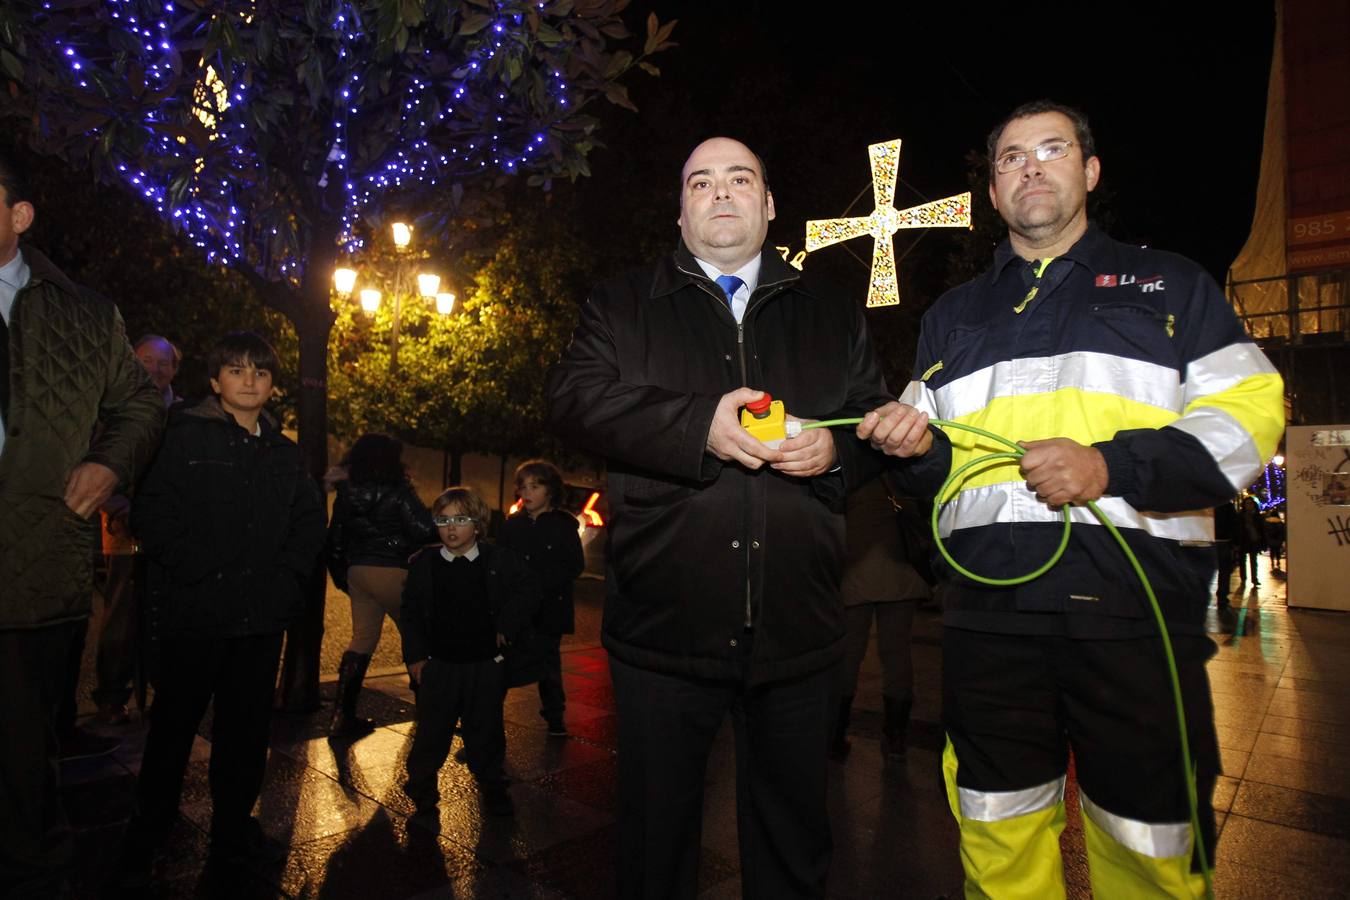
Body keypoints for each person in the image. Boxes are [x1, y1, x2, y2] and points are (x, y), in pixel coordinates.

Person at [859, 100, 1285, 898]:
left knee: (1147, 837)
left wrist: (1110, 465)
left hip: (1131, 612)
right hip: (988, 617)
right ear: (993, 191)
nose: (1031, 167)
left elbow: (1249, 417)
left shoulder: (1170, 284)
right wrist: (907, 454)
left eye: (1052, 150)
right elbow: (935, 470)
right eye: (1010, 158)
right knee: (994, 823)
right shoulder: (951, 316)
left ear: (1089, 172)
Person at [546, 136, 896, 899]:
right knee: (654, 847)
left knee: (793, 845)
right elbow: (572, 398)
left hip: (798, 635)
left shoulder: (831, 311)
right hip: (664, 632)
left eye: (741, 178)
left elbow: (874, 427)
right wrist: (695, 425)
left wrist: (837, 453)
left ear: (769, 206)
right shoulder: (620, 304)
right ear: (681, 212)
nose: (722, 192)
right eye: (700, 181)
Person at [0, 149, 164, 896]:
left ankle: (34, 863)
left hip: (34, 563)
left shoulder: (85, 315)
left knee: (25, 744)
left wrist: (109, 465)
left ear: (18, 215)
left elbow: (136, 407)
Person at [119, 331, 325, 880]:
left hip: (258, 620)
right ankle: (151, 825)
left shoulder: (284, 453)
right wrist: (197, 568)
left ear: (272, 385)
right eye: (236, 370)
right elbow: (151, 514)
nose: (250, 380)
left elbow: (308, 523)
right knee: (174, 727)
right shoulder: (183, 438)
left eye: (259, 371)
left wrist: (286, 583)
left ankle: (234, 827)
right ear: (215, 383)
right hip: (196, 614)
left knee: (245, 733)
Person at [401, 486, 539, 824]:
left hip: (484, 665)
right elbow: (411, 613)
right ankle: (422, 792)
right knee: (431, 733)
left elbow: (529, 589)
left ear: (477, 525)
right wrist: (417, 657)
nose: (451, 528)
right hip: (440, 665)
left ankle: (493, 787)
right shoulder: (426, 564)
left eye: (460, 520)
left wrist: (507, 623)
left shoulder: (497, 560)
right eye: (443, 520)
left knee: (486, 731)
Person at [86, 334, 183, 727]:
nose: (155, 369)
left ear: (175, 370)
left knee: (169, 611)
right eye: (147, 360)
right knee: (122, 611)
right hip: (125, 528)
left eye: (164, 363)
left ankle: (164, 687)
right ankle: (112, 695)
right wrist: (119, 504)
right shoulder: (114, 410)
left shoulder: (180, 415)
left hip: (170, 529)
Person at [325, 433, 436, 737]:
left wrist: (343, 577)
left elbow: (334, 539)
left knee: (362, 640)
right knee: (418, 637)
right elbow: (423, 529)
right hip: (394, 570)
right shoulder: (399, 491)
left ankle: (341, 717)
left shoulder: (347, 493)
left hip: (359, 571)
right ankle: (429, 715)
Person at [830, 474, 930, 762]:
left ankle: (836, 736)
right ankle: (895, 738)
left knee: (849, 657)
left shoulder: (850, 478)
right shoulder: (904, 478)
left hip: (855, 577)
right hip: (900, 579)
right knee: (897, 657)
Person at [498, 459, 584, 736]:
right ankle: (487, 719)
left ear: (550, 490)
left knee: (548, 663)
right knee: (502, 662)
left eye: (535, 486)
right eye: (523, 486)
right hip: (516, 607)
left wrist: (542, 583)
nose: (527, 492)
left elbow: (574, 565)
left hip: (549, 607)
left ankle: (555, 718)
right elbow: (500, 562)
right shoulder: (513, 525)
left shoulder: (563, 525)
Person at [1236, 496, 1268, 586]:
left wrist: (1264, 543)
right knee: (1242, 561)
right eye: (1247, 503)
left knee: (1254, 561)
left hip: (1254, 541)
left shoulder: (1258, 516)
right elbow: (1236, 529)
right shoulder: (1240, 516)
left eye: (1251, 503)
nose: (1249, 505)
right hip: (1243, 541)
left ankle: (1254, 579)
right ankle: (1243, 578)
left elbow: (1262, 530)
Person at [1213, 499, 1239, 608]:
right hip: (1223, 541)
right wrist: (1235, 543)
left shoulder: (1206, 503)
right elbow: (1234, 524)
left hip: (1208, 540)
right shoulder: (1227, 505)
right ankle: (1222, 596)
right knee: (1224, 571)